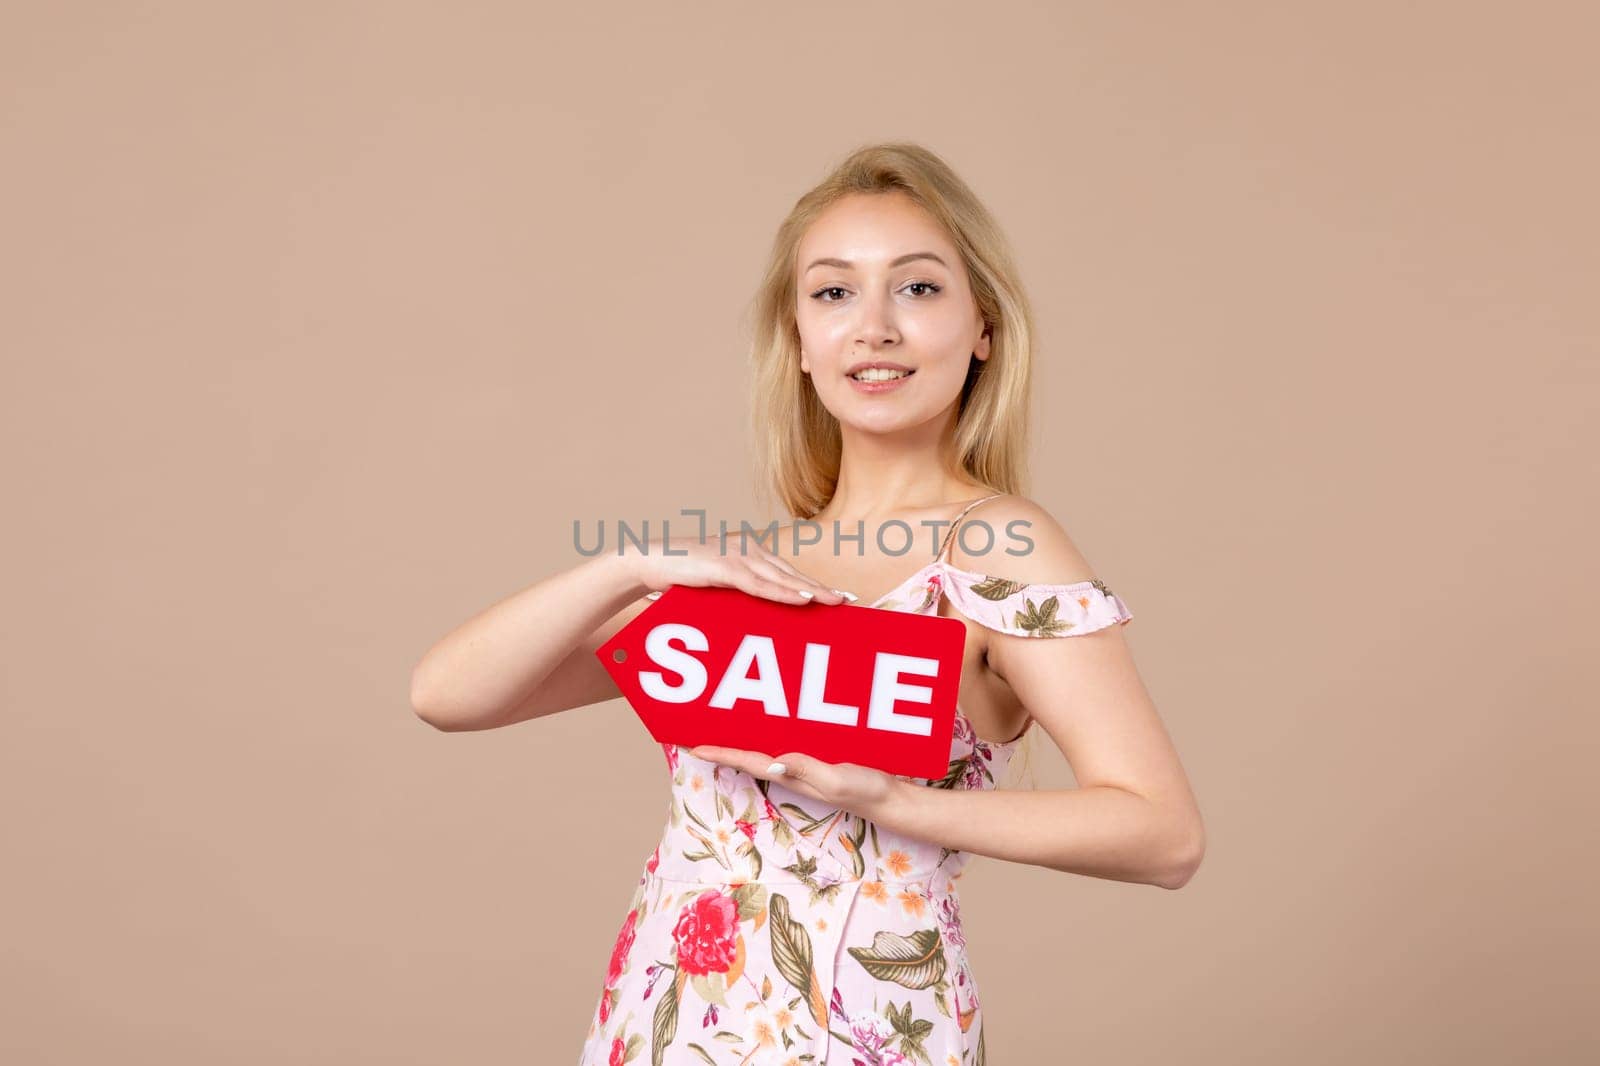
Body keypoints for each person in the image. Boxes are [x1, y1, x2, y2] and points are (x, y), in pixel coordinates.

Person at [410, 141, 1205, 1066]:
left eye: (917, 289)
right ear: (796, 340)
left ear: (983, 326)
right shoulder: (748, 575)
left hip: (868, 1032)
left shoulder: (999, 546)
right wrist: (626, 568)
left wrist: (895, 799)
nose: (874, 328)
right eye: (834, 293)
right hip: (665, 1025)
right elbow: (447, 695)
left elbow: (1162, 834)